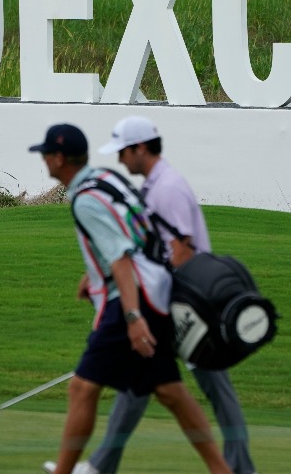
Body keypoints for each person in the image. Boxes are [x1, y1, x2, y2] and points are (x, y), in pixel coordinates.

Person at [30, 123, 233, 474]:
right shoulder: (107, 179)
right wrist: (94, 276)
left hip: (132, 300)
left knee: (82, 389)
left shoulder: (85, 200)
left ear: (60, 159)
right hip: (152, 290)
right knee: (171, 393)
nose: (44, 159)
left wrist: (132, 317)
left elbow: (122, 257)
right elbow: (140, 233)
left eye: (47, 154)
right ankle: (223, 471)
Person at [70, 116, 260, 474]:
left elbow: (181, 250)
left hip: (190, 306)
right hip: (172, 302)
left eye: (124, 152)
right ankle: (100, 465)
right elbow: (142, 245)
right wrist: (98, 274)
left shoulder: (167, 188)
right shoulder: (153, 186)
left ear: (141, 148)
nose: (121, 160)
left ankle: (241, 468)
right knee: (142, 383)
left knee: (214, 389)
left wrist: (161, 306)